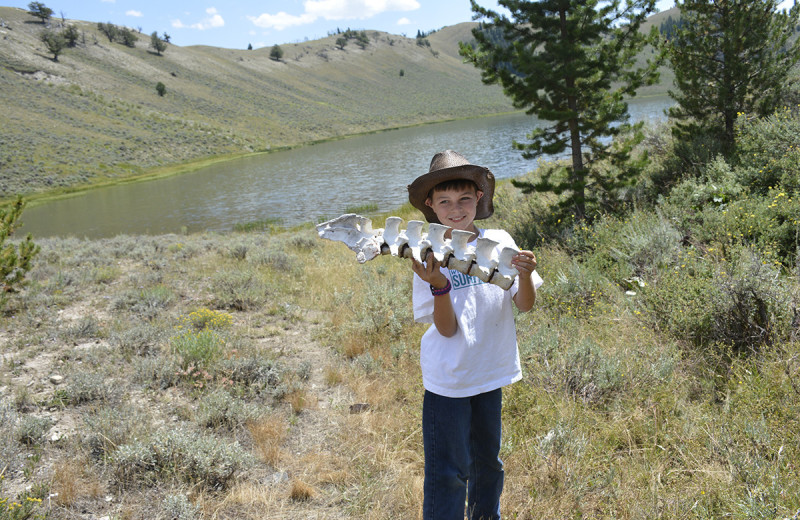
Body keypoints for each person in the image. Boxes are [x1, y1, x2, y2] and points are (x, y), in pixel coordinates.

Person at [407, 150, 543, 520]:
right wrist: (438, 286)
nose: (456, 209)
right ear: (430, 204)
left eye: (465, 199)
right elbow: (447, 328)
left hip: (489, 373)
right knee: (449, 473)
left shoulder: (498, 241)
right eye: (445, 201)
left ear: (479, 198)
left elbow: (525, 304)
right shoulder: (427, 253)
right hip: (449, 380)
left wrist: (526, 274)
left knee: (489, 464)